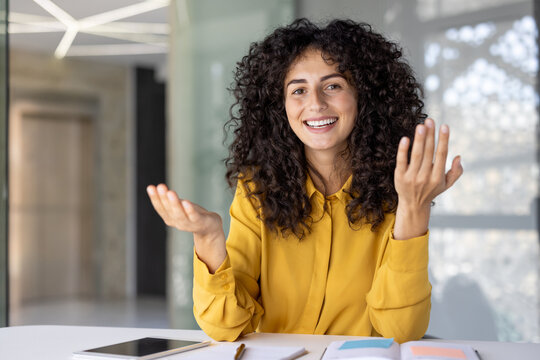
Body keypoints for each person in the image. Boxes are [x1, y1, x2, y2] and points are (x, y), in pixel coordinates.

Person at [146, 18, 463, 343]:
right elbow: (226, 327)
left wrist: (413, 209)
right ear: (279, 105)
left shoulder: (398, 188)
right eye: (298, 90)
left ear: (363, 95)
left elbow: (402, 331)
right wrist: (209, 238)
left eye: (333, 85)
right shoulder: (257, 188)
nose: (315, 103)